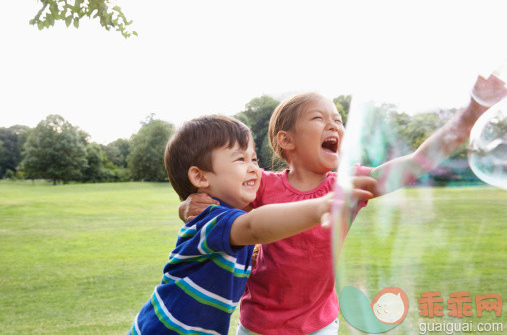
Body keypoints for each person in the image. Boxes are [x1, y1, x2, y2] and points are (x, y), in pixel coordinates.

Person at [180, 74, 507, 334]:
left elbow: (418, 160)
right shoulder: (262, 185)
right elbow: (214, 204)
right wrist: (187, 207)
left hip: (319, 324)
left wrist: (472, 112)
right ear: (286, 140)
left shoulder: (348, 187)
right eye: (319, 118)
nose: (334, 125)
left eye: (338, 120)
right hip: (260, 325)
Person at [129, 114, 375, 335]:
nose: (254, 169)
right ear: (200, 177)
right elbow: (254, 226)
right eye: (240, 159)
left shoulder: (222, 218)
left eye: (254, 159)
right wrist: (321, 206)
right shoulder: (213, 219)